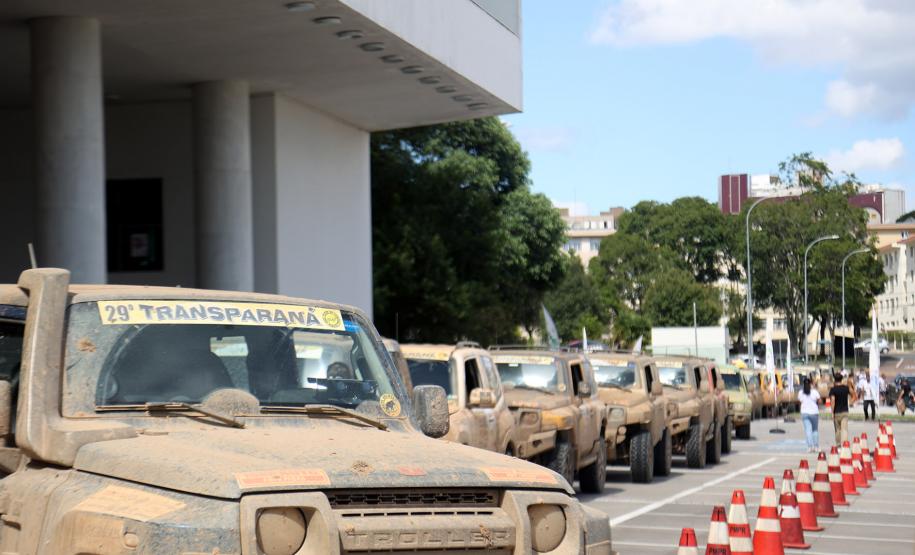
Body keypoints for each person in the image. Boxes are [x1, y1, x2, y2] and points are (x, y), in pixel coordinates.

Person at [798, 377, 821, 452]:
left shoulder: (801, 392)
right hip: (814, 412)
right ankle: (816, 446)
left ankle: (810, 447)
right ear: (811, 384)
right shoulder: (814, 392)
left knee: (808, 430)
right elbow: (819, 400)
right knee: (815, 430)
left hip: (805, 412)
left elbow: (799, 401)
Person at [829, 373, 851, 444]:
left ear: (835, 380)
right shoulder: (846, 388)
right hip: (845, 411)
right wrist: (850, 402)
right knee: (844, 429)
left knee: (838, 430)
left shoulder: (833, 390)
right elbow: (854, 394)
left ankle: (838, 445)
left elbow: (833, 401)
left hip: (837, 412)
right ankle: (845, 444)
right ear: (841, 379)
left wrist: (832, 412)